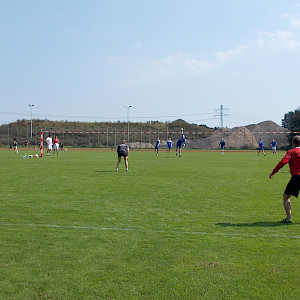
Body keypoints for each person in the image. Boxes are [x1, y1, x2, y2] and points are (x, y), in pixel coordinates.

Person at [269, 135, 300, 224]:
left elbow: (283, 162)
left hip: (296, 177)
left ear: (293, 143)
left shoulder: (291, 151)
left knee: (286, 196)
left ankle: (289, 218)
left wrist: (273, 172)